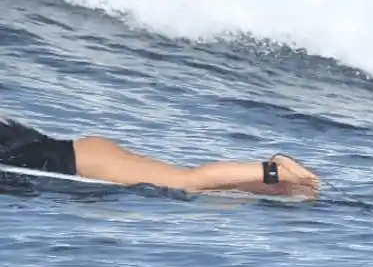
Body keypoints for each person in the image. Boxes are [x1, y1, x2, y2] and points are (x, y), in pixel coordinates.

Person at [1, 115, 319, 197]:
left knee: (186, 183)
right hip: (86, 154)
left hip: (87, 162)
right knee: (200, 190)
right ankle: (284, 188)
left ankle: (275, 169)